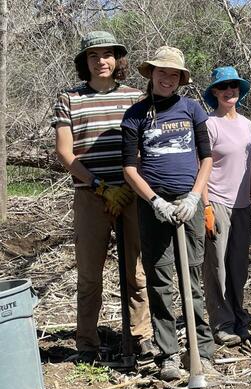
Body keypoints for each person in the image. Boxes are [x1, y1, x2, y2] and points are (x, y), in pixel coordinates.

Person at [52, 31, 156, 363]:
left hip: (131, 194)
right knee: (89, 274)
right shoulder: (69, 98)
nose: (102, 61)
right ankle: (87, 344)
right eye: (94, 55)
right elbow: (65, 153)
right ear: (85, 61)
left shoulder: (135, 97)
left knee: (136, 272)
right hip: (91, 195)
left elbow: (145, 147)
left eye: (108, 54)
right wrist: (101, 186)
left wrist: (127, 186)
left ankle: (142, 336)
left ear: (117, 59)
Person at [121, 46, 216, 381]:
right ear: (151, 74)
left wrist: (194, 197)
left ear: (180, 79)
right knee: (159, 280)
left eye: (173, 74)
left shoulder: (192, 110)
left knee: (192, 277)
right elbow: (129, 169)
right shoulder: (135, 115)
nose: (167, 78)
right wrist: (154, 202)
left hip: (187, 203)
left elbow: (206, 158)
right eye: (161, 72)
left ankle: (200, 350)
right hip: (154, 207)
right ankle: (169, 355)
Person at [200, 66, 251, 346]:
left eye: (234, 87)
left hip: (242, 206)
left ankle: (239, 318)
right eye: (223, 86)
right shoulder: (209, 124)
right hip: (217, 202)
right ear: (215, 92)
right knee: (217, 268)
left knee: (239, 267)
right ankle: (222, 323)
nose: (229, 91)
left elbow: (248, 167)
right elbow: (200, 168)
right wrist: (205, 207)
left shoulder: (247, 124)